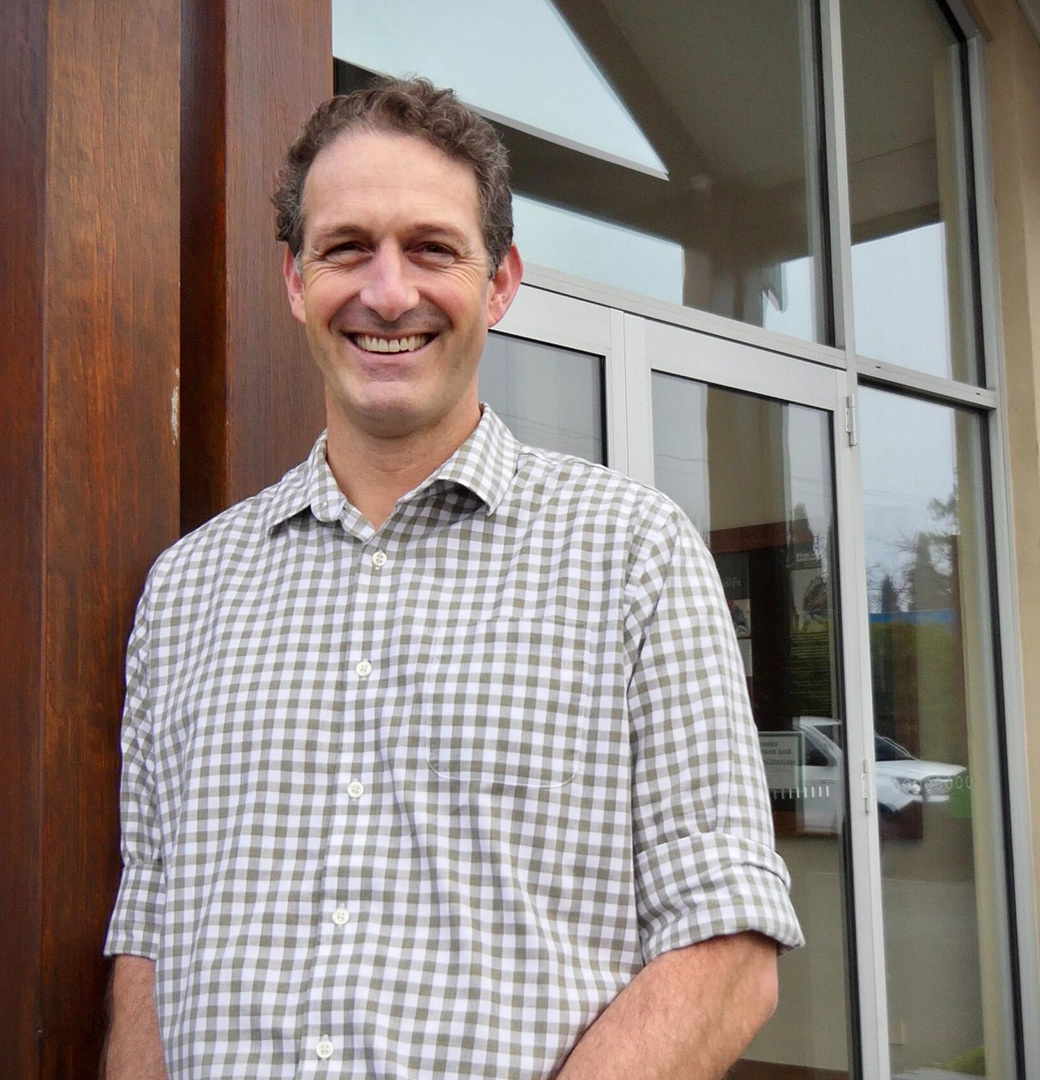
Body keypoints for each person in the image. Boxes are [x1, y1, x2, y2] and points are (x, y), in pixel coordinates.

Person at [103, 77, 803, 1080]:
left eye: (432, 248)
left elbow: (729, 949)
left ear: (501, 281)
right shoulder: (187, 592)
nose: (388, 294)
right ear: (296, 280)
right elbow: (151, 926)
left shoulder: (632, 558)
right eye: (347, 248)